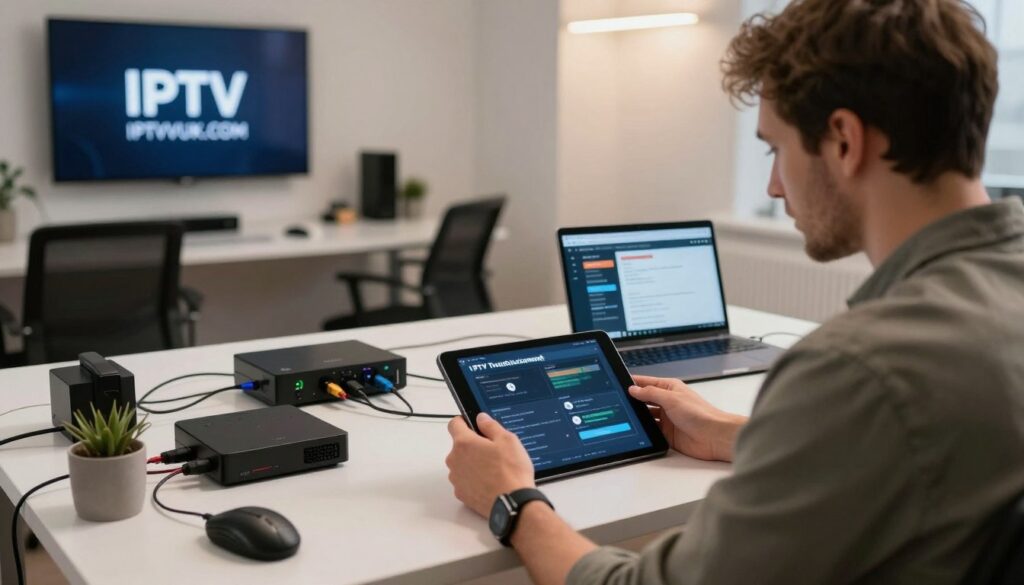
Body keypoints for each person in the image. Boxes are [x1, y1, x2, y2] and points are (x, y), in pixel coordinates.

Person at [445, 0, 1024, 584]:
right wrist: (733, 434)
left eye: (775, 149)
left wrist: (512, 500)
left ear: (845, 141)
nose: (773, 186)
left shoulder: (860, 369)